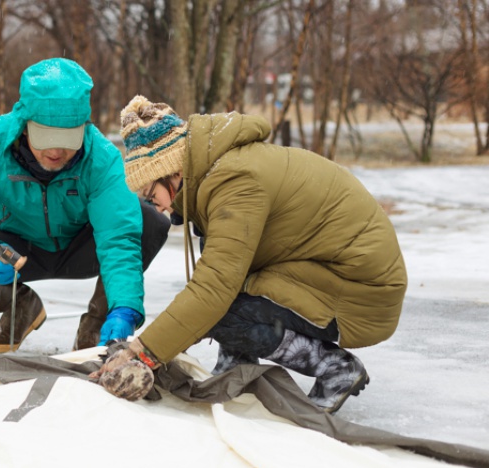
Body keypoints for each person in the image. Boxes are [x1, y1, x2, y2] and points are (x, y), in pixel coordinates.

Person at [91, 95, 407, 414]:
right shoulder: (218, 172)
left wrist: (143, 352)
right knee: (219, 276)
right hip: (325, 271)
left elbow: (213, 291)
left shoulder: (235, 181)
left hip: (360, 291)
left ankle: (335, 368)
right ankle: (236, 361)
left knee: (222, 309)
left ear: (172, 170)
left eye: (151, 194)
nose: (155, 206)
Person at [0, 60, 170, 354]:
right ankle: (21, 305)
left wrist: (124, 306)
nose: (56, 151)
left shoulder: (101, 156)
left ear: (83, 126)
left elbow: (118, 237)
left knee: (149, 222)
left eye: (67, 138)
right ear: (24, 123)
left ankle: (97, 323)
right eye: (46, 136)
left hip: (81, 247)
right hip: (17, 253)